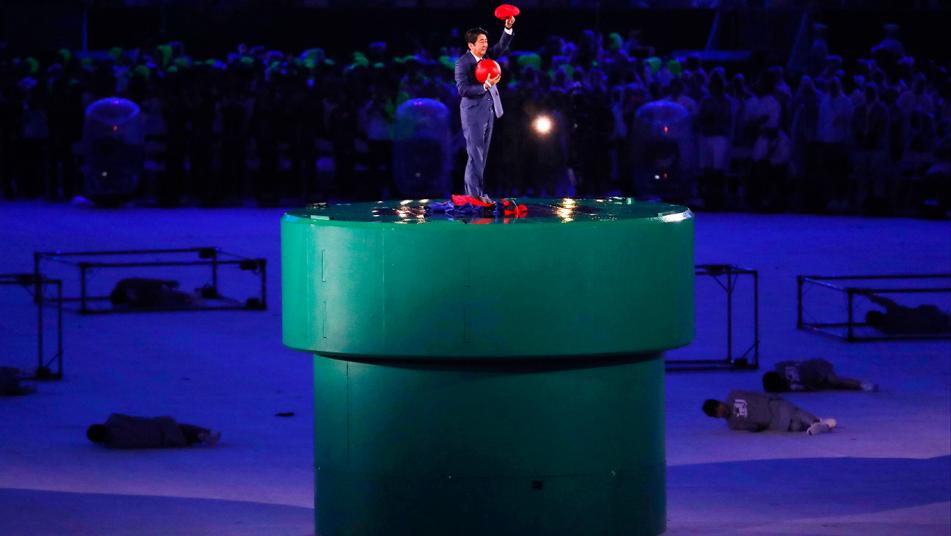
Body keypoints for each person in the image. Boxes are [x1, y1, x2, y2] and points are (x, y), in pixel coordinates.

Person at [454, 14, 516, 203]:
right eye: (481, 41)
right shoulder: (462, 63)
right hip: (473, 113)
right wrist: (484, 86)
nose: (485, 44)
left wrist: (507, 29)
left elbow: (502, 46)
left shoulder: (487, 56)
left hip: (489, 111)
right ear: (471, 45)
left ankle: (477, 193)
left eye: (486, 41)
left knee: (482, 154)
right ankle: (474, 195)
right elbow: (463, 89)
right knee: (475, 154)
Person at [702, 390, 836, 435]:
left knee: (794, 412)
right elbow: (754, 427)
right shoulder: (733, 424)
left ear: (719, 402)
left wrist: (773, 397)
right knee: (795, 426)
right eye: (717, 413)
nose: (721, 411)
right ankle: (822, 426)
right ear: (716, 416)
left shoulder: (734, 394)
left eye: (719, 407)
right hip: (773, 422)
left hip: (772, 406)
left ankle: (816, 421)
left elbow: (755, 394)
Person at [86, 413, 220, 449]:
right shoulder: (115, 420)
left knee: (180, 437)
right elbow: (134, 419)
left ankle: (200, 437)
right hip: (156, 426)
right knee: (180, 428)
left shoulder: (114, 444)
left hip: (159, 440)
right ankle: (204, 434)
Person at [762, 358, 878, 393]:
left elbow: (795, 362)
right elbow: (809, 388)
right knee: (836, 386)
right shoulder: (790, 385)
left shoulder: (781, 368)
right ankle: (855, 385)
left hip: (819, 367)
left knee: (835, 381)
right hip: (817, 377)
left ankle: (862, 384)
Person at [863, 292, 951, 335]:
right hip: (930, 320)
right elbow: (887, 302)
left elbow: (887, 303)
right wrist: (872, 297)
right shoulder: (893, 315)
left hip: (931, 325)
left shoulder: (888, 330)